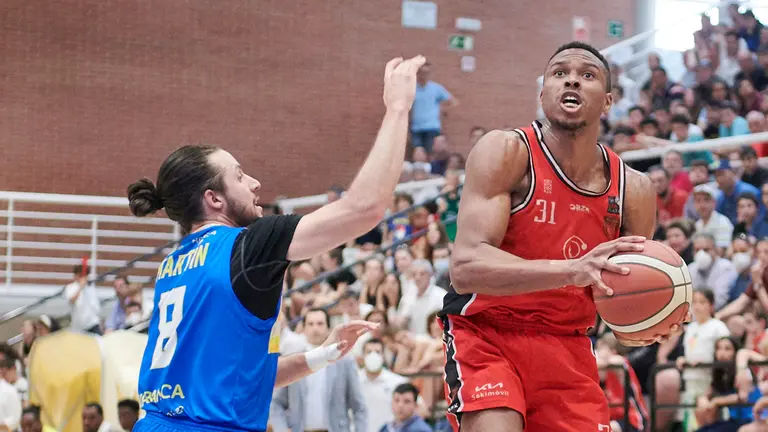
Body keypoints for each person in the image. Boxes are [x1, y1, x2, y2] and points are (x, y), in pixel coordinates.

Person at [128, 55, 426, 432]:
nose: (254, 183)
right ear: (214, 199)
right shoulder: (248, 246)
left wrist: (320, 355)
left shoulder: (172, 266)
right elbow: (364, 209)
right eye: (239, 176)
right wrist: (398, 109)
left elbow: (234, 380)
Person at [439, 41, 688, 432]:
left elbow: (621, 294)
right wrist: (571, 270)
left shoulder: (633, 190)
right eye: (559, 73)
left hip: (568, 343)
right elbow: (466, 268)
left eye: (586, 74)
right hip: (487, 333)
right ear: (543, 95)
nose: (571, 79)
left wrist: (654, 317)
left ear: (607, 102)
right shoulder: (506, 152)